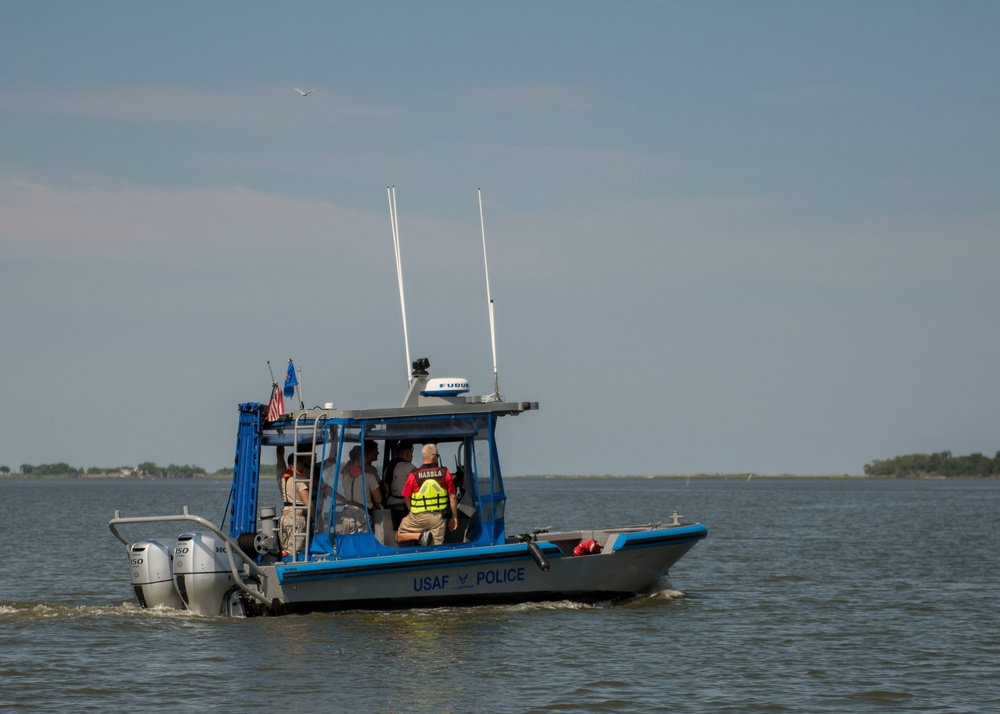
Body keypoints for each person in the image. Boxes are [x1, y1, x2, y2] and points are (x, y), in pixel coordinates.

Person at [396, 444, 458, 547]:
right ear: (433, 456)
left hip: (418, 517)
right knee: (436, 547)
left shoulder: (413, 475)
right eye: (437, 455)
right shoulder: (445, 473)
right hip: (438, 517)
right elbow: (452, 496)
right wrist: (454, 516)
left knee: (399, 536)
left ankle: (420, 536)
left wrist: (412, 510)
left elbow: (406, 496)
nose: (437, 457)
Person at [335, 441, 383, 534]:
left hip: (346, 515)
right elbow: (379, 499)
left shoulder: (345, 475)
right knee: (362, 545)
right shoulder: (369, 476)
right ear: (363, 458)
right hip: (361, 516)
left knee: (348, 544)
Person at [276, 447, 314, 556]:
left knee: (285, 551)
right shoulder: (300, 480)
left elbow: (279, 459)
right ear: (298, 464)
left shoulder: (283, 478)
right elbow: (308, 504)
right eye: (303, 465)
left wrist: (280, 443)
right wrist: (313, 520)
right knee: (295, 553)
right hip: (297, 519)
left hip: (284, 518)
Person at [384, 442, 416, 531]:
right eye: (411, 454)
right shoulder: (409, 467)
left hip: (390, 507)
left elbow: (386, 487)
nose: (412, 457)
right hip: (405, 506)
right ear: (407, 454)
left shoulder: (388, 468)